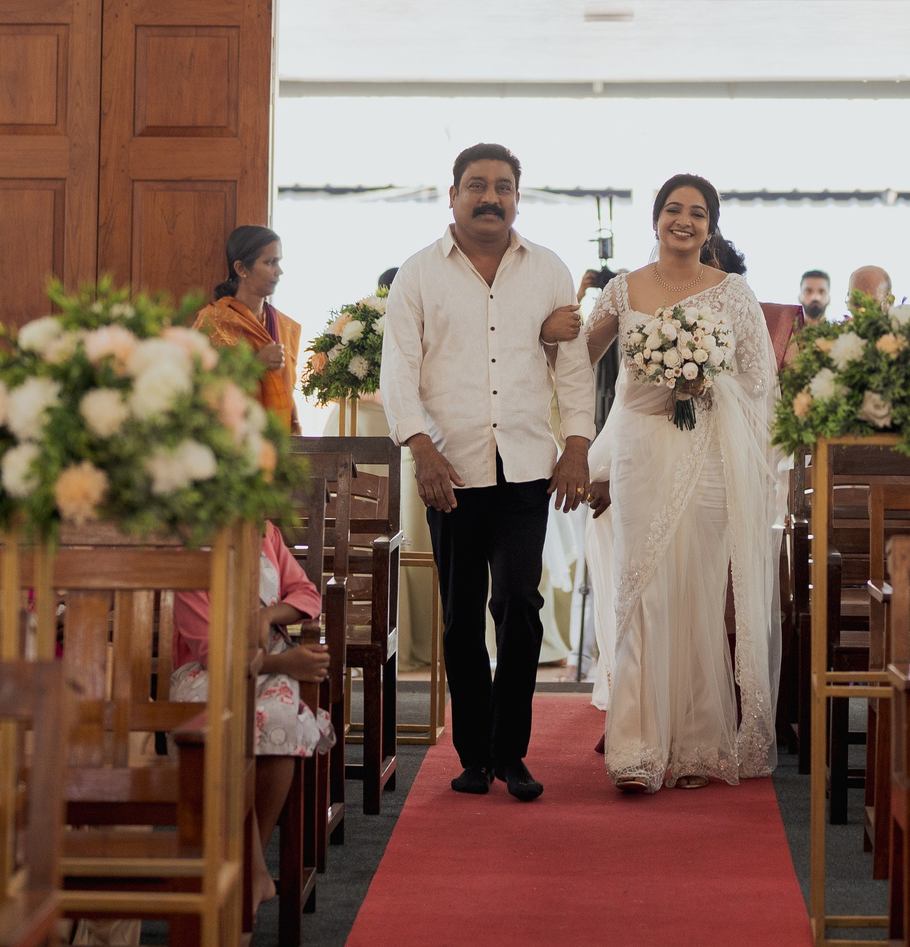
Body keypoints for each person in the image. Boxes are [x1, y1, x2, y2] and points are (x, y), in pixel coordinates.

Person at [382, 142, 594, 802]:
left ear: (517, 198)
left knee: (520, 605)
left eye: (503, 186)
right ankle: (474, 753)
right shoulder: (419, 274)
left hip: (529, 467)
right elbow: (399, 372)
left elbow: (574, 367)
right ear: (452, 194)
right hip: (449, 469)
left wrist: (578, 446)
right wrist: (421, 448)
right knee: (460, 617)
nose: (490, 196)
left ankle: (512, 752)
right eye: (477, 185)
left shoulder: (548, 269)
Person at [582, 173, 782, 793]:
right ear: (655, 219)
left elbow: (758, 380)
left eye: (698, 213)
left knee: (697, 589)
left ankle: (697, 743)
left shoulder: (733, 293)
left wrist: (705, 382)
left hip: (710, 454)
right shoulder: (623, 290)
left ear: (711, 226)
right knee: (642, 590)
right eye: (674, 209)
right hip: (641, 448)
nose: (684, 221)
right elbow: (580, 360)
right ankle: (637, 747)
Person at [170, 520, 333, 903]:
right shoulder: (190, 546)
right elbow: (210, 652)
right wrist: (287, 665)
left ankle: (245, 863)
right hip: (205, 671)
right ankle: (253, 868)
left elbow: (307, 595)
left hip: (270, 657)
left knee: (277, 718)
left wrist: (267, 616)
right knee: (224, 727)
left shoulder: (266, 533)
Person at [194, 225, 304, 431]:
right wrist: (255, 363)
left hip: (278, 443)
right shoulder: (213, 321)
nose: (279, 271)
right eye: (270, 262)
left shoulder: (285, 325)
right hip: (228, 441)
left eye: (278, 262)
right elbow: (199, 385)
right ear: (241, 269)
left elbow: (288, 395)